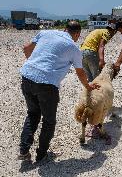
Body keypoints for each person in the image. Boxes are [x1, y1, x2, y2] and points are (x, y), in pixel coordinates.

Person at [18, 21, 99, 162]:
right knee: (49, 121)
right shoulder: (74, 48)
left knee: (32, 114)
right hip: (47, 85)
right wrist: (88, 86)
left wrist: (34, 65)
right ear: (77, 34)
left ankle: (24, 151)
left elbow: (26, 48)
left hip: (27, 77)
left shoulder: (45, 33)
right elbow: (80, 73)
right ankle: (42, 155)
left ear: (64, 29)